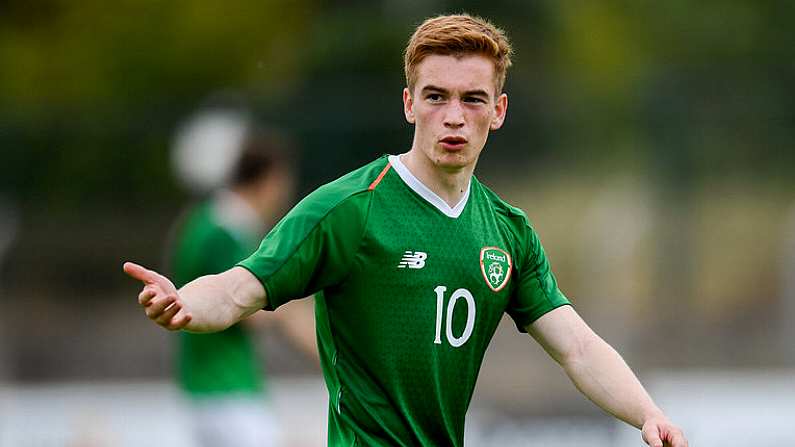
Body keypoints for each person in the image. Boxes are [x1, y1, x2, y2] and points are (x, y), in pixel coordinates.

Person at [125, 14, 688, 447]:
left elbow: (579, 348)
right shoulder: (349, 208)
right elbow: (238, 288)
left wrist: (647, 413)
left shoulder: (509, 232)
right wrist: (184, 304)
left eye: (473, 99)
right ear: (409, 103)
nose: (453, 116)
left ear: (499, 111)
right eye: (436, 96)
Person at [168, 119, 306, 447]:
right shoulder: (228, 231)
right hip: (227, 390)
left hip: (202, 388)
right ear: (270, 180)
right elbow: (252, 312)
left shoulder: (202, 220)